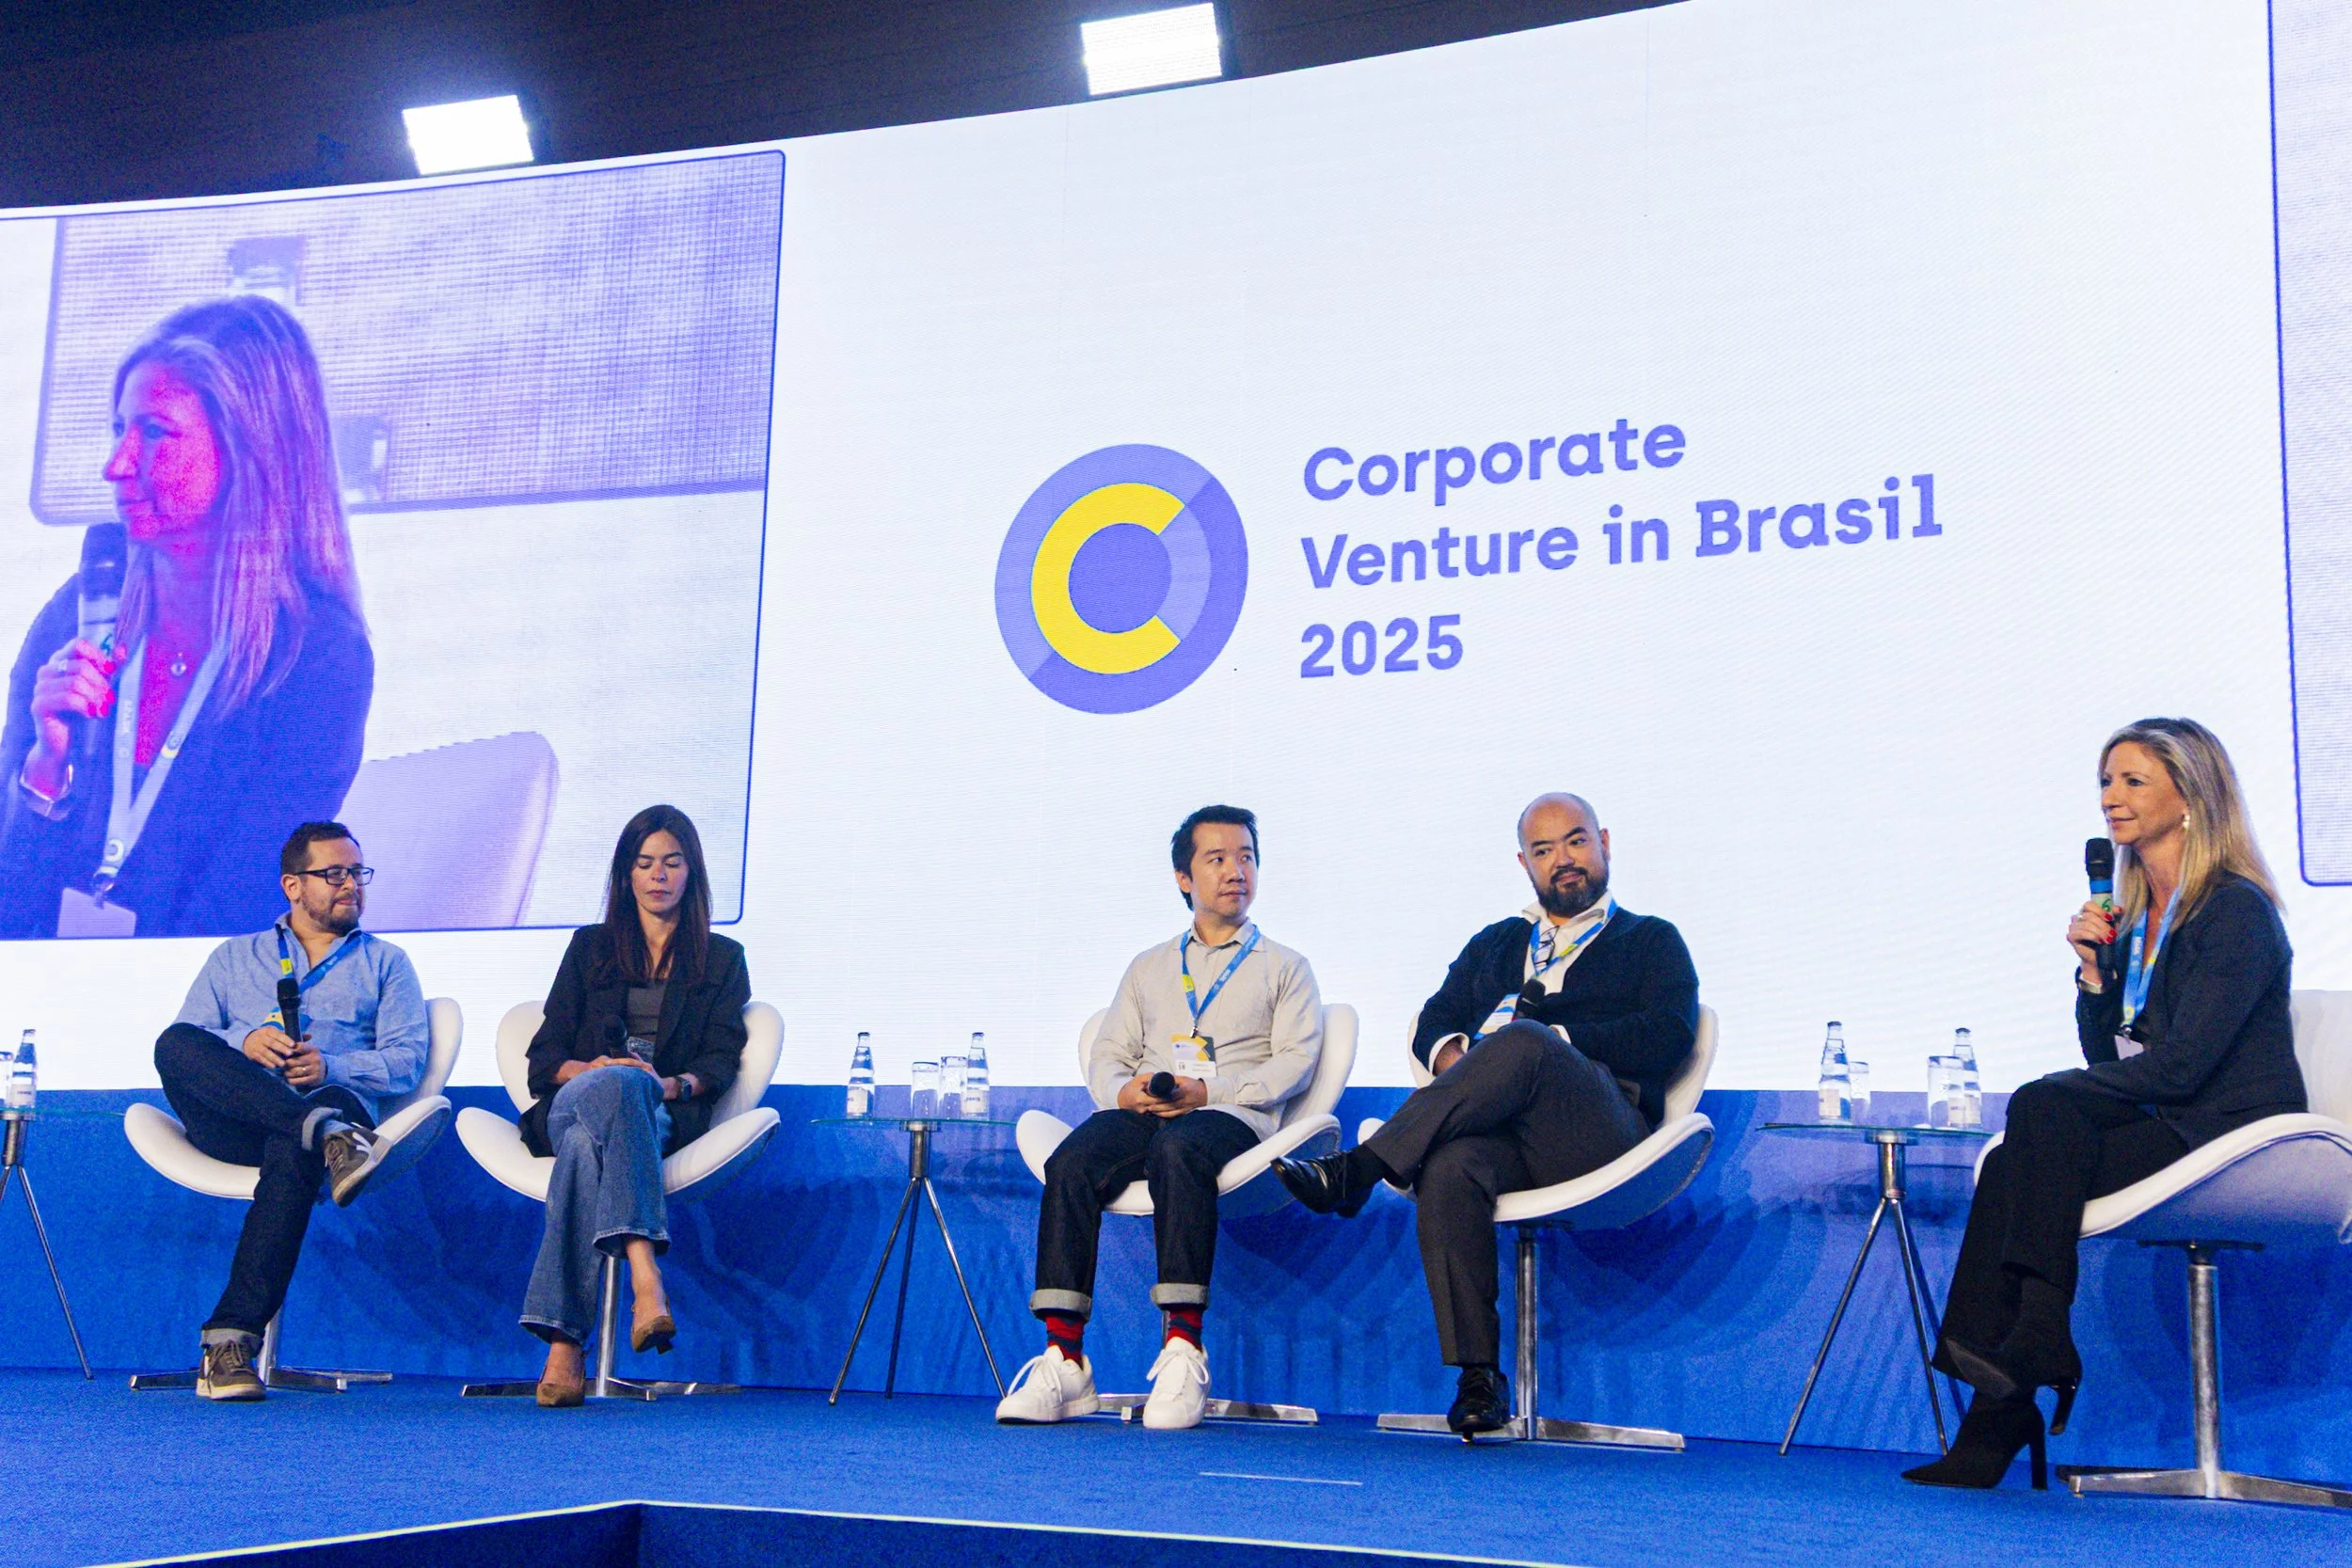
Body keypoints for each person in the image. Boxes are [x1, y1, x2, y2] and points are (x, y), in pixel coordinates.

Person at [1904, 719, 2300, 1490]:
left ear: (2191, 798)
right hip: (2170, 1118)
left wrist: (2052, 1092)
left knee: (2040, 1106)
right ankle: (2020, 1368)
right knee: (2024, 1149)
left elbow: (2184, 1067)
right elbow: (2110, 1061)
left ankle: (2019, 1369)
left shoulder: (2234, 910)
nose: (2111, 798)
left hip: (2233, 1129)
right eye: (2105, 782)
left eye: (2133, 781)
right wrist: (2093, 975)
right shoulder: (2135, 917)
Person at [1277, 793, 1698, 1436]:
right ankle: (1479, 1379)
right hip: (1509, 1139)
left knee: (1526, 1039)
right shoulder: (1497, 942)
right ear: (1524, 863)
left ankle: (1361, 1168)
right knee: (1451, 1165)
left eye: (1576, 841)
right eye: (1544, 849)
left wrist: (1556, 1041)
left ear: (1605, 844)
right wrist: (1462, 1061)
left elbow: (1669, 1034)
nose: (1563, 859)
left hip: (1603, 1131)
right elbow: (1436, 1020)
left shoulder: (1650, 939)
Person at [0, 294, 372, 941]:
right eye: (119, 429)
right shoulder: (78, 612)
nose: (116, 465)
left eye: (155, 434)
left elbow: (238, 914)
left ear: (249, 451)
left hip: (189, 996)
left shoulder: (317, 660)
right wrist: (44, 771)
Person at [995, 805, 1324, 1431]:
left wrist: (1210, 1090)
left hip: (1232, 1115)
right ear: (1184, 877)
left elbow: (1296, 1062)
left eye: (1246, 857)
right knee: (1072, 1160)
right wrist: (1126, 1092)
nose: (1236, 871)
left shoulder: (1285, 966)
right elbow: (1108, 1054)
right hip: (1151, 1110)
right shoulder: (1149, 966)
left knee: (1179, 1150)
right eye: (1217, 858)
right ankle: (1065, 1358)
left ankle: (1183, 1349)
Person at [155, 819, 428, 1401]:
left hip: (329, 1103)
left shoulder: (387, 963)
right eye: (334, 874)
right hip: (243, 1118)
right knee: (173, 1043)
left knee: (297, 1141)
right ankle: (324, 1134)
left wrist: (331, 1067)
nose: (350, 884)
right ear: (293, 885)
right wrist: (245, 1042)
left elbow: (407, 1061)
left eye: (357, 872)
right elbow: (193, 1040)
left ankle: (230, 1343)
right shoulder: (234, 956)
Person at [518, 805, 751, 1408]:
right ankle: (646, 1278)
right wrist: (591, 1070)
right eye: (645, 864)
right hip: (574, 1099)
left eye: (672, 863)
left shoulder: (722, 959)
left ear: (691, 872)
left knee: (588, 1142)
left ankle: (564, 1346)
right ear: (626, 875)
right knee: (613, 1089)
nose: (658, 876)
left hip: (656, 1111)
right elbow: (545, 1056)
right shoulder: (589, 947)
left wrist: (668, 1084)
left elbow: (720, 1060)